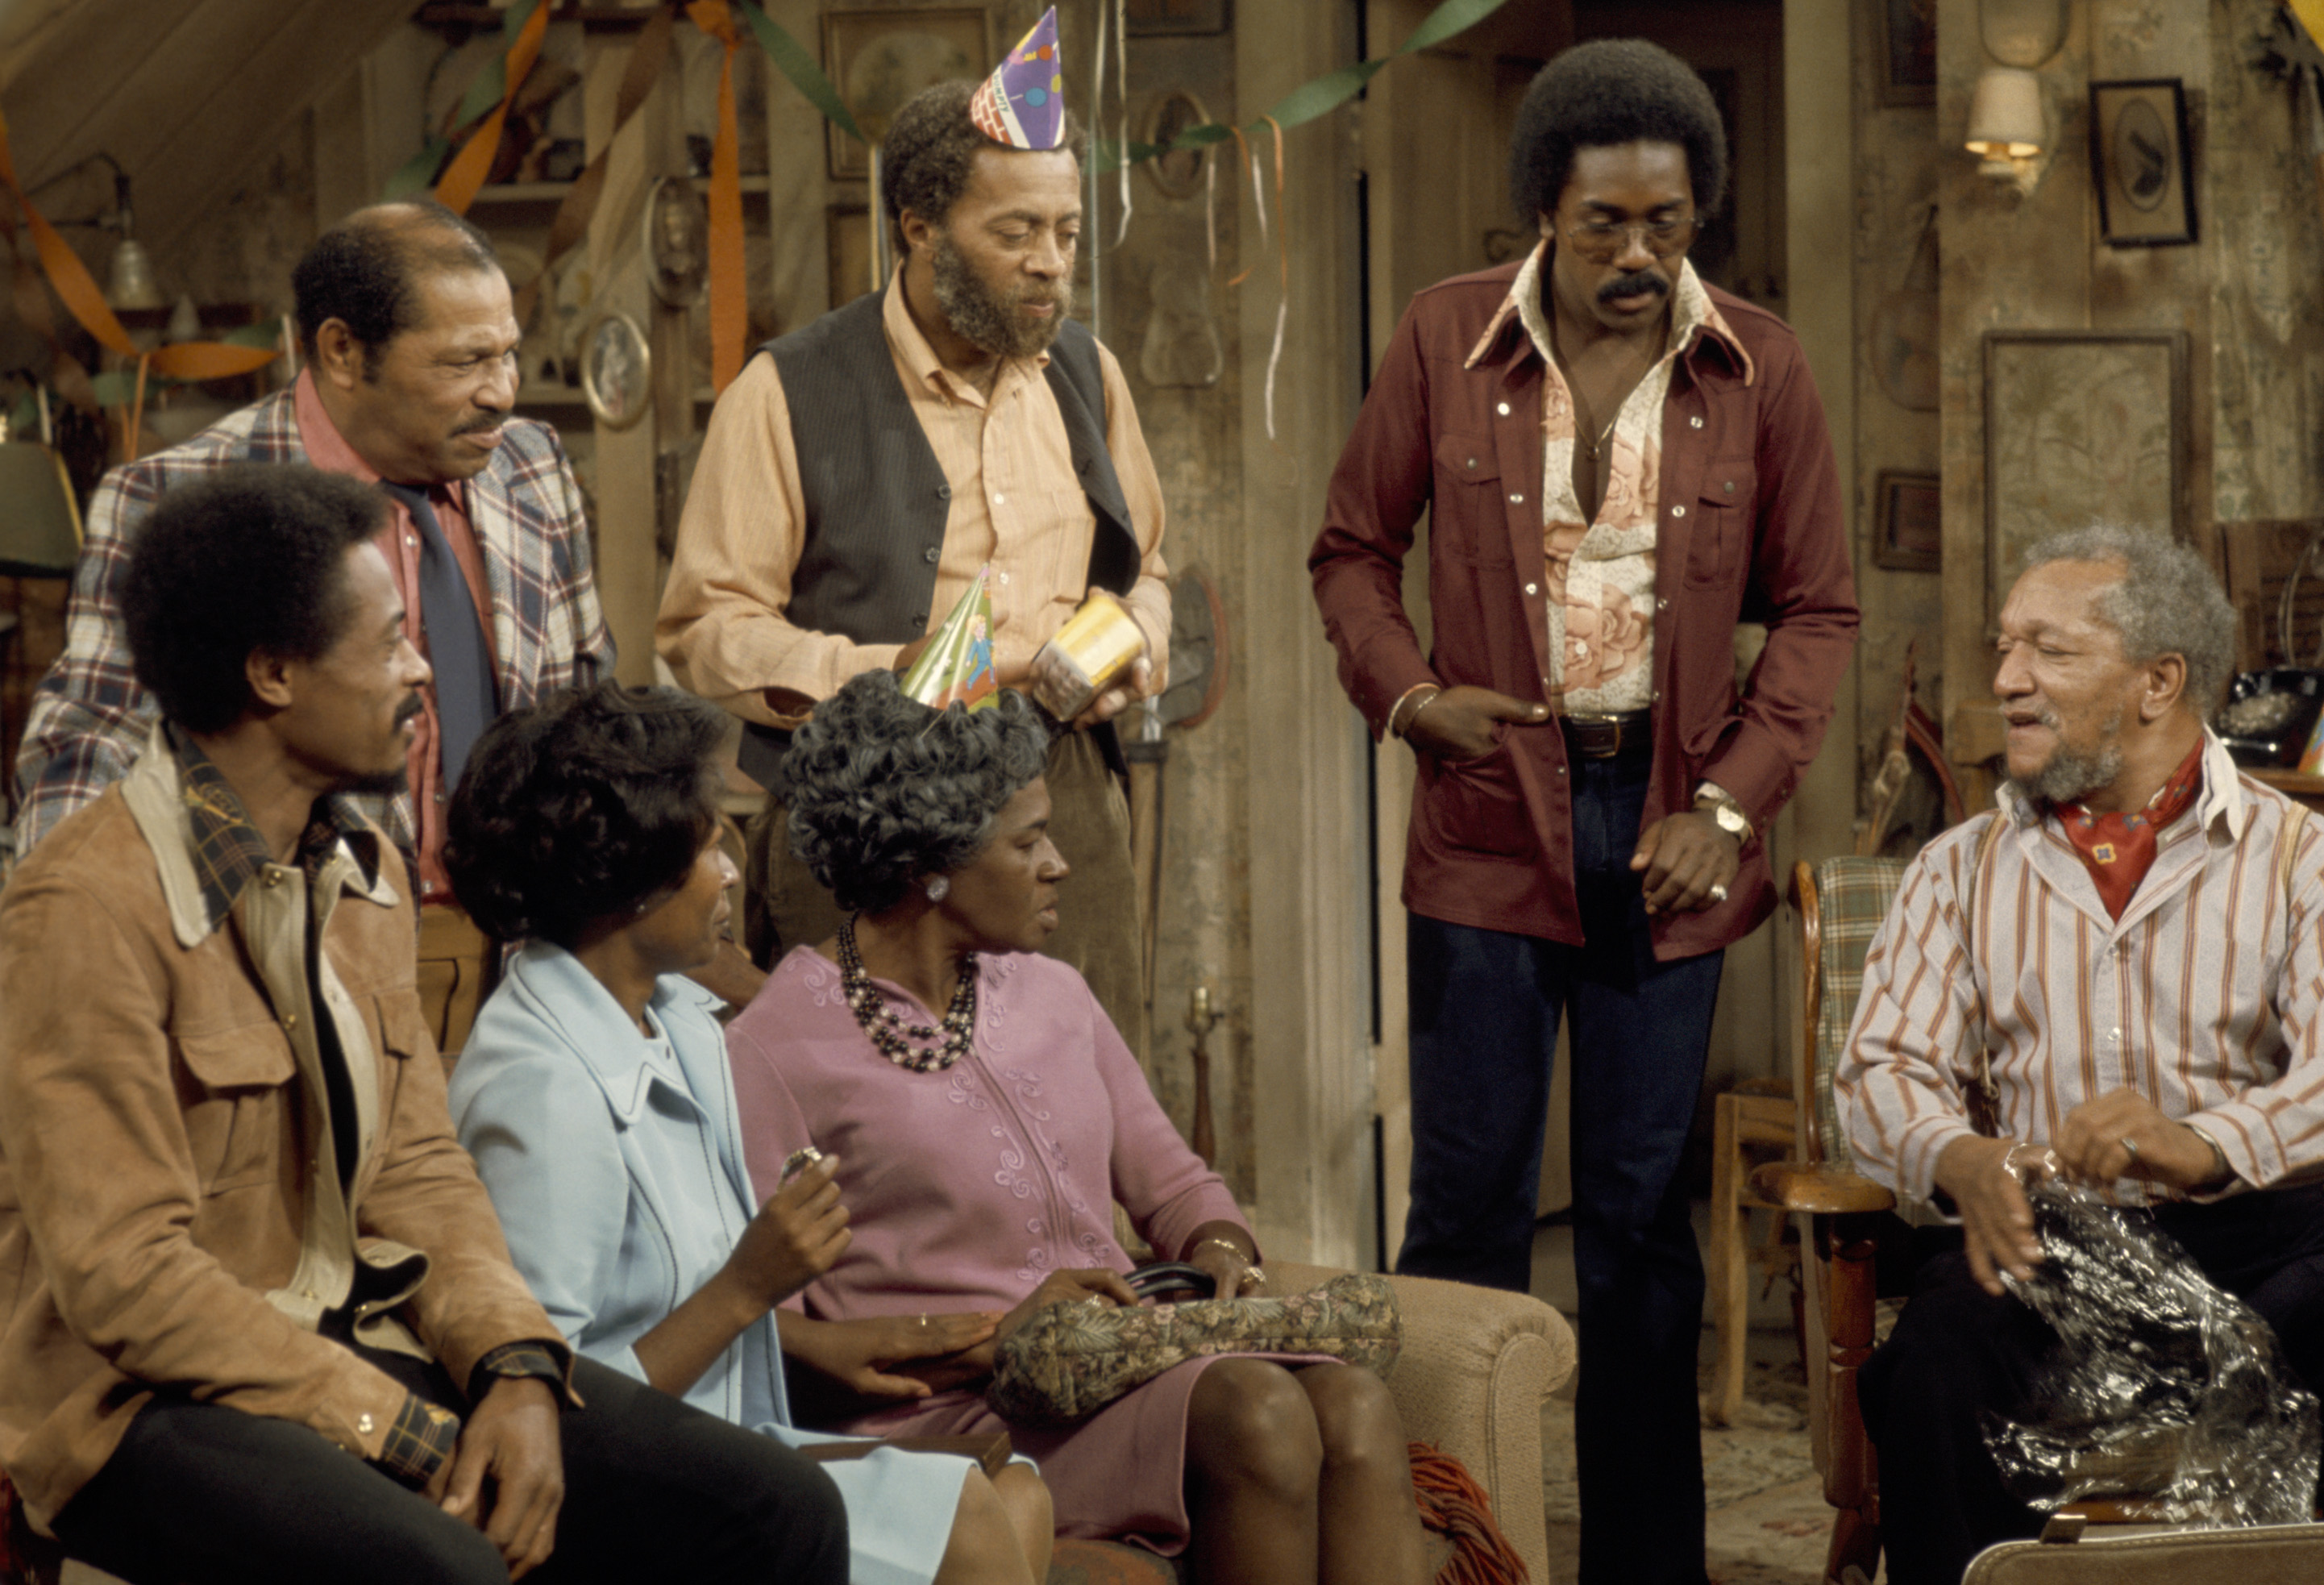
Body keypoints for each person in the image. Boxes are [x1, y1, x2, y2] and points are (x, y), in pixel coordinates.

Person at [0, 464, 846, 1585]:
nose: (421, 668)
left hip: (359, 1337)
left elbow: (420, 1169)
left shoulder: (369, 874)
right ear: (273, 672)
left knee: (775, 1502)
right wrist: (404, 1430)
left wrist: (514, 1365)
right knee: (447, 1563)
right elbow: (127, 1279)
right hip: (135, 1401)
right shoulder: (85, 907)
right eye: (392, 638)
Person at [1306, 38, 1858, 1585]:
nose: (1637, 256)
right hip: (1488, 808)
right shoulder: (1438, 343)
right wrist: (1413, 699)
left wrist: (1733, 809)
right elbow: (1351, 550)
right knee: (1469, 1202)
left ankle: (1645, 1569)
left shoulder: (1762, 365)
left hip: (1676, 827)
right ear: (1544, 210)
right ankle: (1442, 1549)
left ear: (1701, 216)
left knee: (1635, 1225)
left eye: (1668, 226)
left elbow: (1819, 608)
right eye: (1605, 223)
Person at [722, 670, 1427, 1585]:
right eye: (1028, 841)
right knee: (1258, 1408)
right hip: (957, 1414)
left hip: (1119, 1370)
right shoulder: (778, 1045)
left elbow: (1178, 1189)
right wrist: (991, 1334)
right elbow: (774, 1337)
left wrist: (1219, 1251)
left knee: (1358, 1404)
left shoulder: (1055, 991)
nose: (1061, 862)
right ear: (929, 866)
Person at [1837, 526, 2324, 1585]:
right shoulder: (1956, 869)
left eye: (2048, 652)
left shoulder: (2313, 863)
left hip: (2266, 1249)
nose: (2007, 678)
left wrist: (2207, 1142)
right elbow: (1879, 1070)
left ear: (2159, 681)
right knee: (1932, 1360)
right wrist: (1958, 1157)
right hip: (2043, 1248)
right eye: (2005, 647)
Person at [444, 680, 1055, 1585]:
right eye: (705, 845)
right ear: (630, 878)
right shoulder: (542, 1087)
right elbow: (552, 1410)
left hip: (727, 1456)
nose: (732, 872)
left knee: (1020, 1492)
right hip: (621, 1501)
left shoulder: (681, 1020)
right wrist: (748, 1284)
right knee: (963, 1515)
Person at [15, 198, 617, 1055]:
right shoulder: (183, 496)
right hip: (294, 974)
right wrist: (72, 970)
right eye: (465, 361)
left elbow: (587, 705)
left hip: (527, 970)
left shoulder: (532, 466)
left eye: (509, 352)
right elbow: (86, 755)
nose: (501, 391)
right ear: (342, 350)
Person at [657, 52, 1166, 1056]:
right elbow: (706, 629)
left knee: (1077, 1098)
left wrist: (1127, 643)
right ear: (920, 229)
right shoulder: (788, 389)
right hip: (866, 814)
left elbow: (1144, 567)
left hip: (1057, 799)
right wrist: (894, 676)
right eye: (1014, 232)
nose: (1050, 262)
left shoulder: (1086, 373)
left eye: (1064, 233)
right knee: (873, 1115)